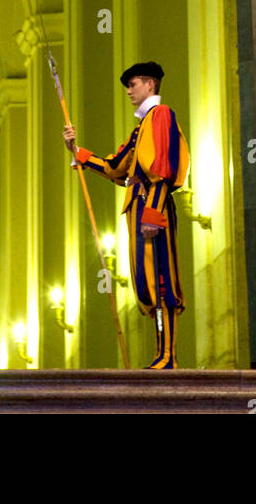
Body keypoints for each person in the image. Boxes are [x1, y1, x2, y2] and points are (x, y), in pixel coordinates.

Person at [63, 61, 189, 369]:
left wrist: (153, 213)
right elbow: (115, 167)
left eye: (132, 84)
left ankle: (168, 356)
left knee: (162, 281)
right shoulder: (140, 128)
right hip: (139, 211)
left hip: (149, 209)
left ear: (149, 84)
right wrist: (76, 151)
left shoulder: (160, 115)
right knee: (146, 283)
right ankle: (161, 354)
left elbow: (162, 169)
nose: (129, 90)